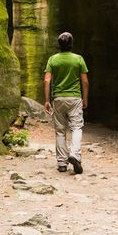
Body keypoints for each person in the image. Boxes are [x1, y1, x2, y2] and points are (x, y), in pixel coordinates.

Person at [43, 31, 89, 174]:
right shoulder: (78, 59)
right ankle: (75, 154)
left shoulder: (53, 60)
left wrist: (46, 100)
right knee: (76, 128)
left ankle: (62, 163)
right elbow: (85, 81)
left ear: (59, 45)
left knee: (60, 131)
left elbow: (47, 80)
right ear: (71, 44)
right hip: (75, 98)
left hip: (58, 98)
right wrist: (85, 98)